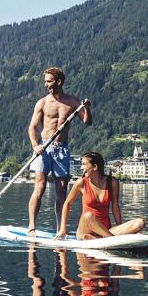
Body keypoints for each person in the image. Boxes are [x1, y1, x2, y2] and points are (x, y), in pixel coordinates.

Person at [26, 67, 92, 234]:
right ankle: (31, 226)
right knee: (40, 187)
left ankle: (60, 229)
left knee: (61, 190)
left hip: (61, 150)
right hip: (43, 148)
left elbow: (87, 121)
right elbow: (32, 127)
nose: (45, 84)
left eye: (48, 81)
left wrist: (87, 108)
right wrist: (35, 145)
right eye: (45, 81)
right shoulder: (42, 102)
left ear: (59, 82)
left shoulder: (73, 102)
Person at [56, 151, 145, 241]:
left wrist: (119, 227)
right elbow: (67, 204)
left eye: (84, 164)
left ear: (95, 167)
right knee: (88, 215)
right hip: (86, 230)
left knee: (139, 223)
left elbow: (115, 207)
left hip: (106, 231)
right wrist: (62, 229)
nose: (81, 167)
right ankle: (111, 239)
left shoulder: (112, 182)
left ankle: (103, 238)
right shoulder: (81, 183)